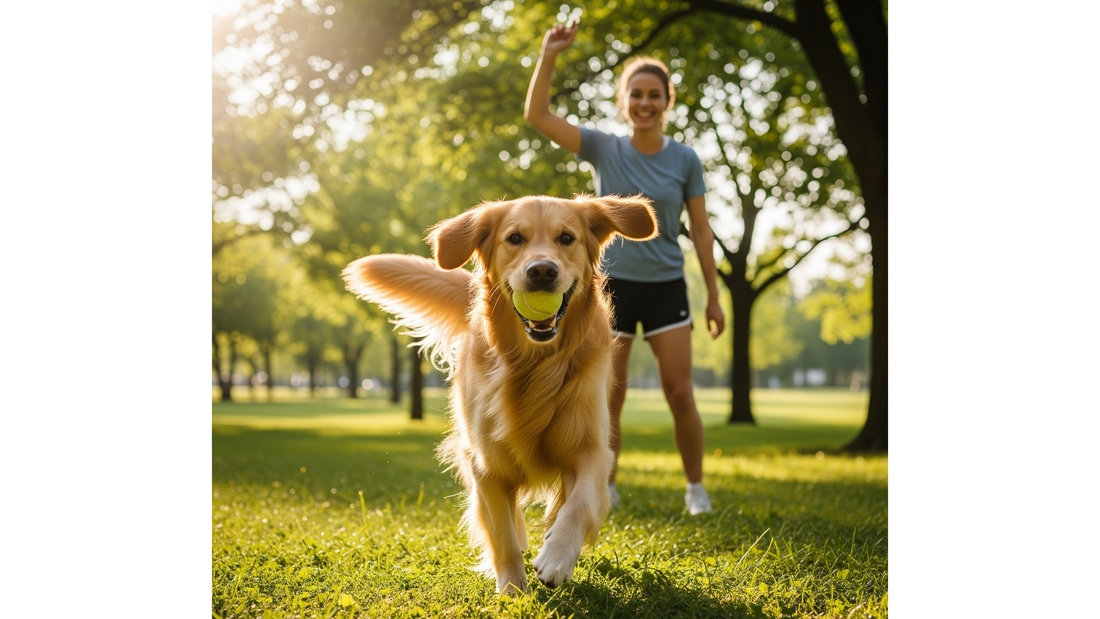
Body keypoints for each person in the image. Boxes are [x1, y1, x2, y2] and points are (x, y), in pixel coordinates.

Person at [524, 21, 726, 515]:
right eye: (636, 94)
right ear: (624, 100)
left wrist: (714, 295)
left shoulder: (685, 159)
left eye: (654, 95)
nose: (645, 103)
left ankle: (695, 488)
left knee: (680, 391)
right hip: (610, 287)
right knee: (606, 394)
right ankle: (604, 486)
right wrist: (549, 54)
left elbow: (700, 231)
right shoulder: (603, 147)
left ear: (666, 101)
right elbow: (538, 115)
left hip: (665, 288)